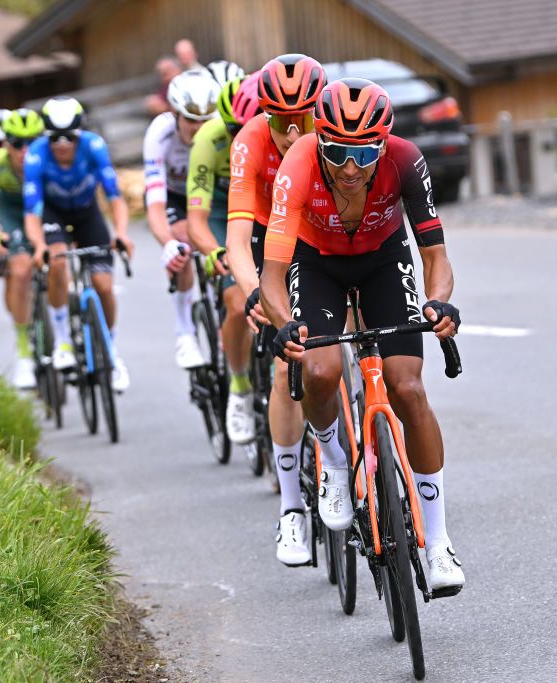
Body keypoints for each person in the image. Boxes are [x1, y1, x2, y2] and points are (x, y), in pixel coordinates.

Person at [259, 78, 465, 592]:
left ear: (384, 144)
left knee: (409, 388)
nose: (350, 168)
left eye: (364, 153)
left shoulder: (406, 159)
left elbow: (434, 255)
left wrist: (437, 302)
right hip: (316, 261)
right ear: (319, 139)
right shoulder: (299, 164)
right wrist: (285, 322)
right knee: (321, 370)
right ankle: (331, 461)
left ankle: (438, 543)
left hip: (382, 257)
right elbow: (270, 274)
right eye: (337, 152)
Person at [225, 54, 325, 566]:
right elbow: (239, 241)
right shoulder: (248, 142)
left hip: (322, 234)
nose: (290, 131)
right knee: (289, 361)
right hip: (271, 241)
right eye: (279, 120)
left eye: (302, 119)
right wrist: (252, 293)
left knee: (352, 338)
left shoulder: (334, 137)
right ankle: (291, 509)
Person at [23, 96, 135, 391]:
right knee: (58, 262)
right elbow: (32, 212)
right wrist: (38, 246)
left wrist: (121, 232)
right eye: (55, 138)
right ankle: (62, 340)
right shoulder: (35, 155)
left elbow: (114, 197)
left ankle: (111, 354)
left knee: (104, 285)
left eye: (70, 137)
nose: (63, 144)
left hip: (87, 213)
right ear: (46, 137)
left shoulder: (94, 146)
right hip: (53, 214)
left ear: (80, 134)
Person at [184, 71, 261, 445]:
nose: (242, 138)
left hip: (262, 207)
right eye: (234, 129)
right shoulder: (208, 140)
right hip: (221, 212)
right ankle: (241, 387)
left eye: (251, 128)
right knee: (237, 302)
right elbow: (196, 219)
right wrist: (213, 250)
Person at [143, 69, 221, 372]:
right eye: (190, 120)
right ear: (174, 113)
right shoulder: (159, 135)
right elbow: (155, 204)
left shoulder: (220, 132)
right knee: (183, 245)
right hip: (176, 198)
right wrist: (168, 244)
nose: (199, 128)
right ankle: (185, 331)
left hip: (211, 195)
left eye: (205, 120)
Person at [0, 108, 45, 389]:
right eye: (17, 143)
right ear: (6, 143)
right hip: (11, 212)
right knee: (20, 271)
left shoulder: (47, 161)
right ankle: (24, 352)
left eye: (31, 142)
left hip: (41, 209)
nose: (24, 150)